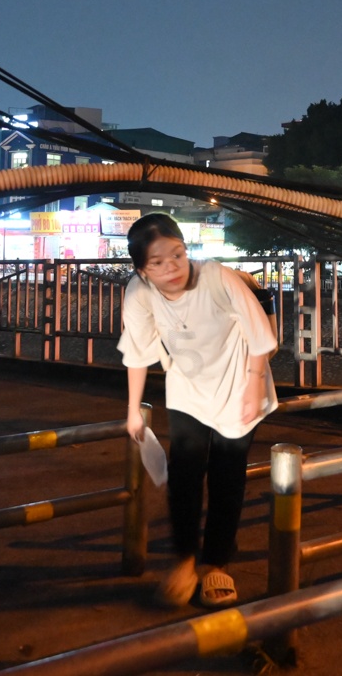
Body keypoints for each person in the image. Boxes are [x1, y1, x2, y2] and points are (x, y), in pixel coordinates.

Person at [119, 213, 278, 608]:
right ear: (141, 270)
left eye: (177, 254)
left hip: (240, 382)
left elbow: (262, 337)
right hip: (188, 388)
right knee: (184, 474)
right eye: (157, 262)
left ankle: (216, 564)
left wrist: (253, 386)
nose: (171, 267)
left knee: (227, 474)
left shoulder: (218, 278)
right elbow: (137, 352)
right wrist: (133, 410)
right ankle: (185, 560)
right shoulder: (139, 293)